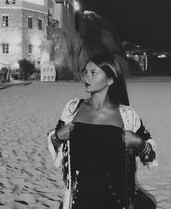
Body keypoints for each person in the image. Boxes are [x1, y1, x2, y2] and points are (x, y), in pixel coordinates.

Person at [47, 53, 157, 209]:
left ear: (110, 80)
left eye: (93, 73)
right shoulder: (72, 108)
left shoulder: (127, 115)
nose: (86, 77)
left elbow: (150, 155)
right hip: (78, 202)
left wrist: (139, 143)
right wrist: (58, 136)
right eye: (85, 72)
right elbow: (56, 143)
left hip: (115, 202)